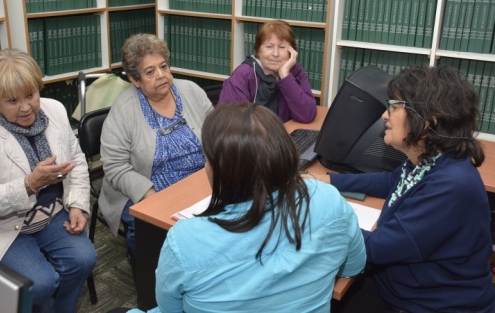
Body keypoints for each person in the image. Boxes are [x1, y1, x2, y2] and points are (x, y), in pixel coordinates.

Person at [128, 103, 366, 313]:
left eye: (208, 158)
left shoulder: (184, 239)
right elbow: (354, 265)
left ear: (225, 171)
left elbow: (170, 308)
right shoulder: (329, 199)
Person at [315, 65, 495, 312]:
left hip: (424, 304)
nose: (384, 116)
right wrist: (330, 181)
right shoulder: (432, 158)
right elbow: (392, 181)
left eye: (395, 106)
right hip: (401, 285)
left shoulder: (451, 187)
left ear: (428, 121)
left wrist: (318, 213)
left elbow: (374, 248)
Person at [0, 48, 97, 313]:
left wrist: (76, 205)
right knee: (39, 284)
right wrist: (29, 184)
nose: (26, 107)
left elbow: (76, 162)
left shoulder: (55, 109)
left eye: (31, 95)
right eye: (13, 101)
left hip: (50, 212)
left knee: (83, 260)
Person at [99, 34, 214, 277]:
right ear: (134, 79)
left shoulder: (191, 91)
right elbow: (115, 167)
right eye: (150, 72)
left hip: (199, 181)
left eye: (163, 67)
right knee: (150, 240)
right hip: (146, 187)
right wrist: (150, 197)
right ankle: (149, 273)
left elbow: (216, 136)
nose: (161, 76)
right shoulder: (124, 111)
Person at [218, 20, 317, 123]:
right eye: (269, 47)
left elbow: (307, 115)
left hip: (282, 134)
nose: (275, 53)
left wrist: (285, 77)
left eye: (282, 47)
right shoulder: (244, 75)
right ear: (258, 50)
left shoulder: (295, 71)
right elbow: (234, 124)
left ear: (291, 52)